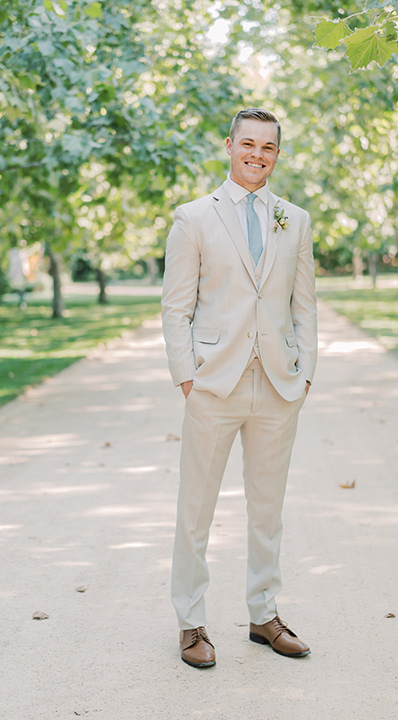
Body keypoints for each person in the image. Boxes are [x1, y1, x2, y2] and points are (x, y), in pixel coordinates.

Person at [161, 108, 318, 668]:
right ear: (228, 145)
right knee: (195, 508)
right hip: (213, 384)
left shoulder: (293, 219)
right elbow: (176, 307)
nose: (257, 154)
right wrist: (188, 377)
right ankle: (191, 623)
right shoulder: (194, 218)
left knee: (267, 509)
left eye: (268, 147)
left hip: (278, 385)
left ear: (278, 154)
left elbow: (304, 304)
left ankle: (263, 614)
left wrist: (306, 374)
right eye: (247, 143)